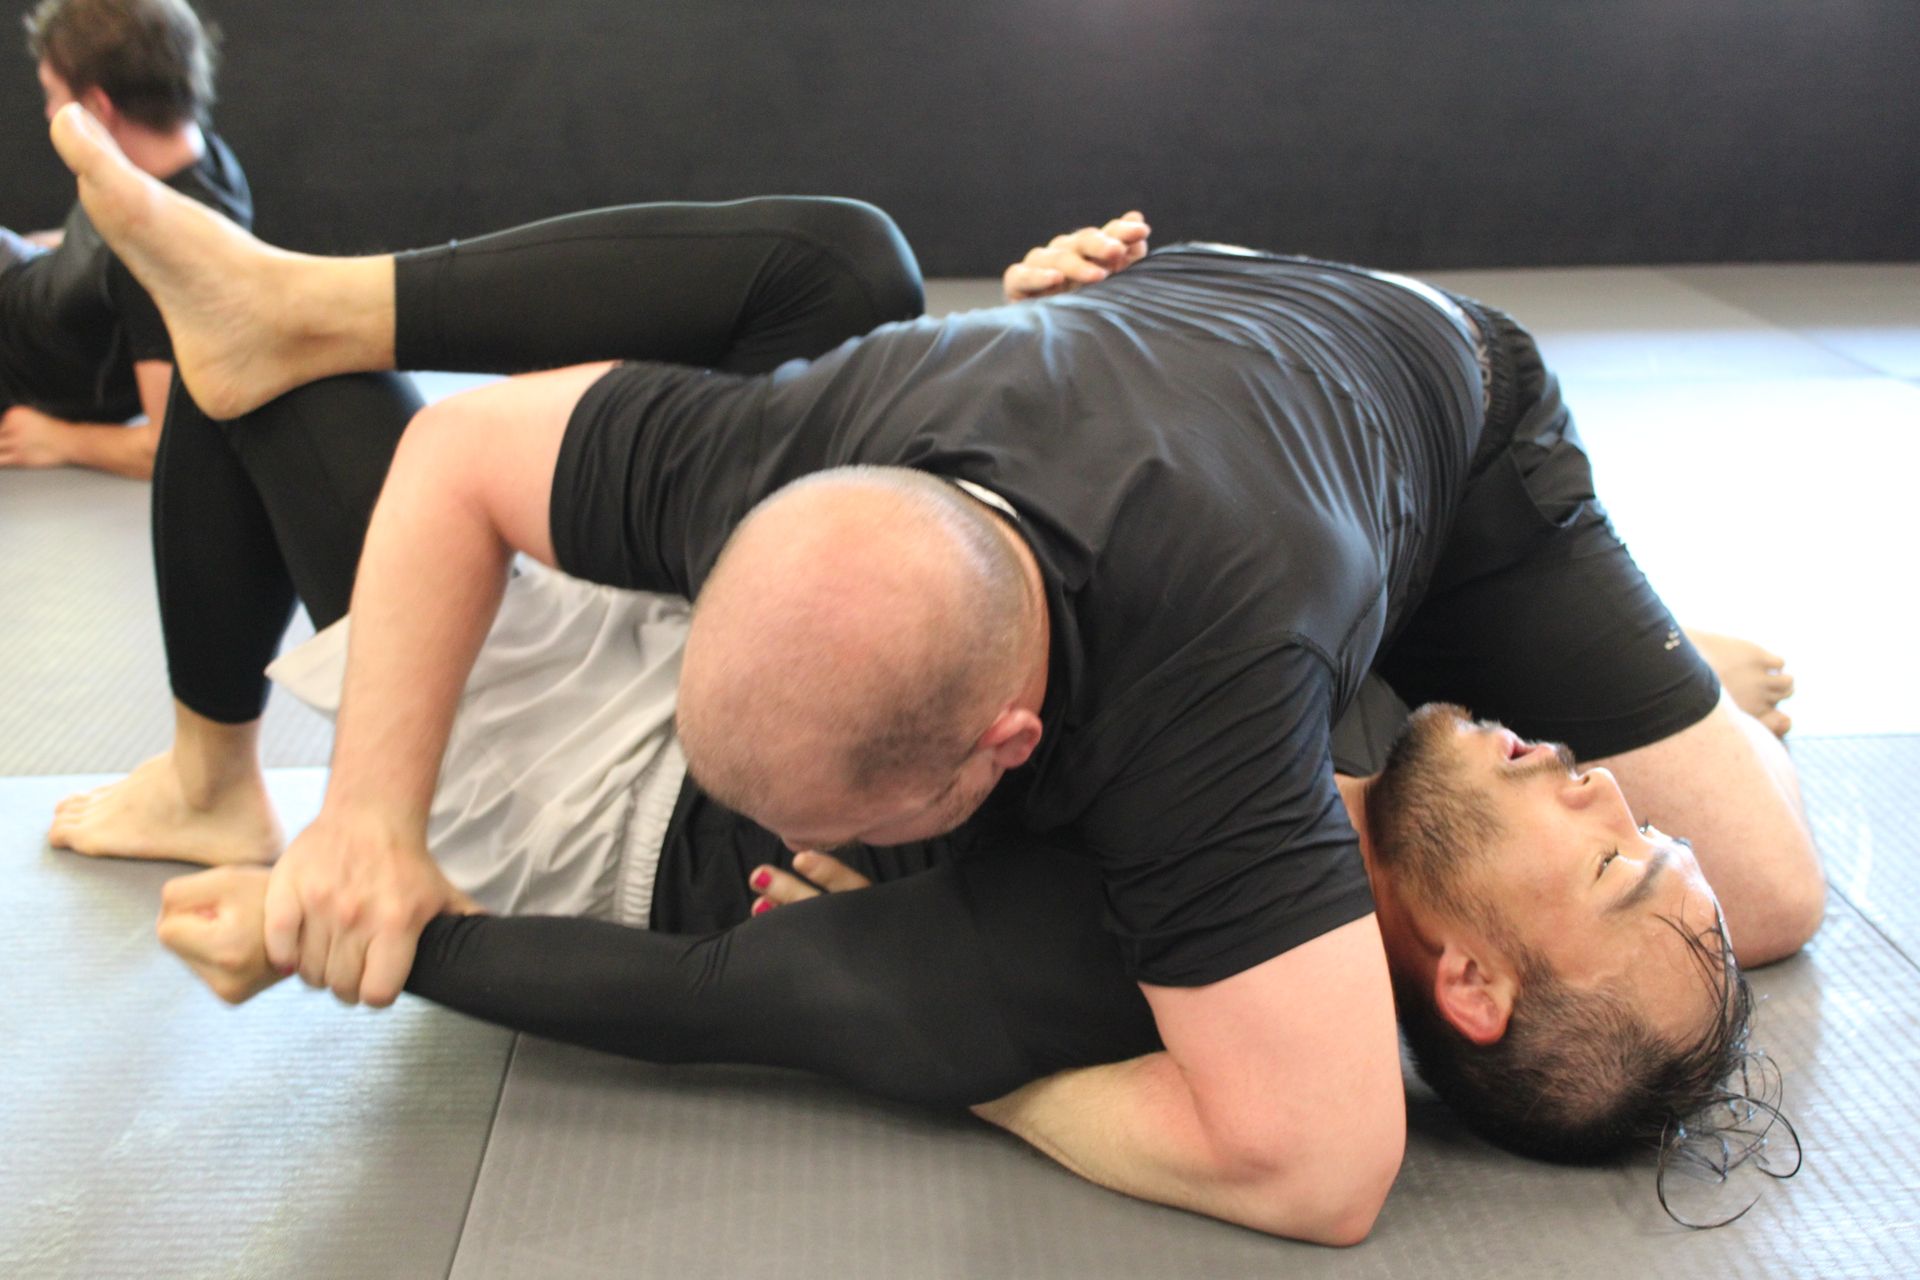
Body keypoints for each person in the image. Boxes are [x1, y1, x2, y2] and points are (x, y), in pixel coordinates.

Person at [50, 104, 1823, 1242]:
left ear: (1474, 987)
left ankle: (208, 766)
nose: (1603, 782)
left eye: (1611, 853)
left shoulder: (1160, 887)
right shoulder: (1349, 733)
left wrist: (357, 913)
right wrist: (1086, 333)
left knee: (242, 385)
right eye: (1633, 818)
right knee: (845, 265)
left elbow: (733, 1001)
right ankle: (255, 415)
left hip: (577, 775)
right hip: (830, 600)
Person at [0, 0, 240, 477]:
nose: (48, 111)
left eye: (53, 95)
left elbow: (167, 446)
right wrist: (38, 245)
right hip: (22, 278)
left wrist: (59, 439)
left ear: (96, 107)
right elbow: (97, 263)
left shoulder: (162, 250)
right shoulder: (192, 155)